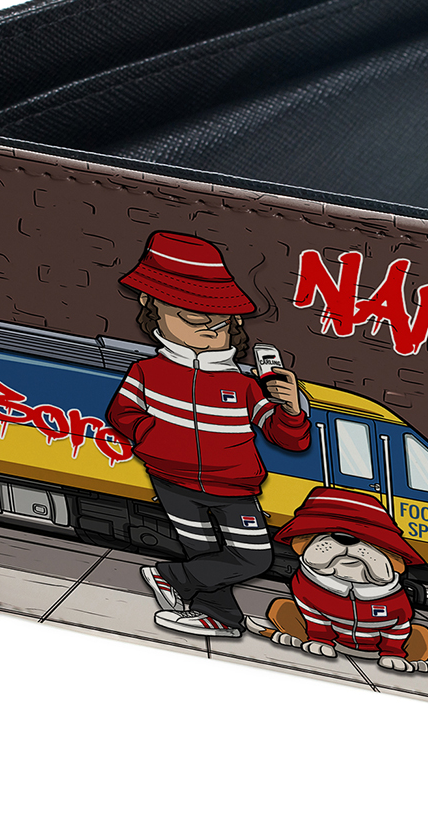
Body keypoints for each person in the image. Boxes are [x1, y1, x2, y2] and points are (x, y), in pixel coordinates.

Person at [107, 231, 311, 637]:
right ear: (151, 305)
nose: (209, 329)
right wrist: (158, 442)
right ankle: (221, 619)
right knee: (204, 552)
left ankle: (171, 578)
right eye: (193, 319)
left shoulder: (244, 384)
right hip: (172, 483)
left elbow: (287, 439)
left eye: (219, 324)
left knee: (253, 557)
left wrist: (291, 409)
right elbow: (122, 412)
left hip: (235, 488)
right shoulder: (148, 372)